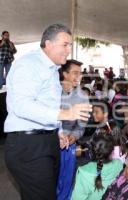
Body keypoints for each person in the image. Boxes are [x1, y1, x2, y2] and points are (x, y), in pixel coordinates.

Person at [4, 24, 92, 200]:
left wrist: (57, 131)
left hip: (48, 141)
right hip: (29, 145)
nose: (68, 50)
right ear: (48, 43)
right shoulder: (29, 64)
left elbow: (47, 106)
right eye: (65, 45)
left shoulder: (52, 70)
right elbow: (21, 105)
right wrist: (65, 114)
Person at [56, 59, 90, 200]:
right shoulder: (51, 91)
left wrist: (74, 137)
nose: (79, 77)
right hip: (49, 141)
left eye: (80, 73)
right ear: (64, 74)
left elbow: (82, 123)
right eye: (75, 73)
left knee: (66, 178)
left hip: (69, 143)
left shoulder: (82, 96)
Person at [71, 133, 123, 200]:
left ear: (91, 151)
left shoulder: (83, 172)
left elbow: (77, 198)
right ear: (112, 151)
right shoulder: (119, 164)